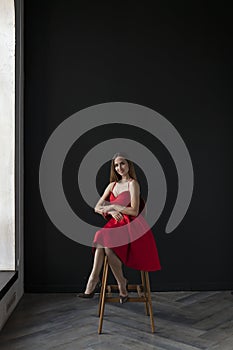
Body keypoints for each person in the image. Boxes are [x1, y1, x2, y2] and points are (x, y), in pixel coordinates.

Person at [79, 152, 161, 303]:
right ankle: (120, 283)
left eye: (122, 163)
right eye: (116, 165)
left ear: (129, 164)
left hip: (131, 225)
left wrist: (115, 206)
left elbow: (135, 211)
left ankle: (93, 281)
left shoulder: (133, 184)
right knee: (107, 245)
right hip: (115, 225)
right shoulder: (112, 185)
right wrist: (110, 210)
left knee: (101, 237)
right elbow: (97, 207)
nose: (119, 167)